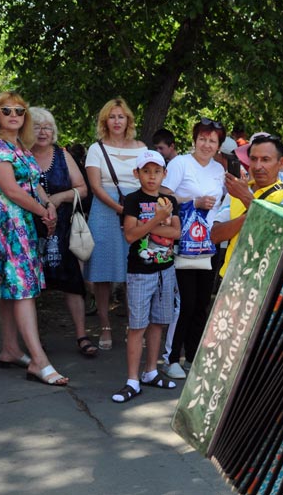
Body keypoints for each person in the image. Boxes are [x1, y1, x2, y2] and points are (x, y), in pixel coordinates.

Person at [0, 91, 67, 386]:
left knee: (11, 288)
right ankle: (38, 360)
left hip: (22, 222)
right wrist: (42, 210)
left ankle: (11, 349)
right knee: (23, 289)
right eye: (7, 110)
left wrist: (49, 206)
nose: (14, 115)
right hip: (5, 224)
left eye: (19, 110)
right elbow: (11, 191)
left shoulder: (20, 147)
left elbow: (33, 185)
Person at [159, 118, 227, 379]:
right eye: (202, 138)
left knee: (200, 303)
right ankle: (172, 357)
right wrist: (193, 201)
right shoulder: (180, 164)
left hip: (209, 243)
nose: (206, 144)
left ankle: (193, 354)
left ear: (219, 145)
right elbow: (162, 195)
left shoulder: (218, 170)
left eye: (212, 140)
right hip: (184, 241)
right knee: (184, 302)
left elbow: (221, 204)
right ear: (194, 139)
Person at [111, 150, 180, 403]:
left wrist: (149, 226)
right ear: (137, 173)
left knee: (158, 322)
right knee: (137, 325)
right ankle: (132, 380)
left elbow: (176, 233)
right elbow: (130, 235)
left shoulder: (169, 199)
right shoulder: (133, 200)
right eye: (146, 171)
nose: (152, 177)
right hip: (140, 272)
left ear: (164, 173)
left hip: (166, 269)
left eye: (157, 171)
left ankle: (151, 371)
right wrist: (159, 220)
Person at [29, 107, 96, 357]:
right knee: (31, 286)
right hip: (31, 229)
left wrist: (58, 198)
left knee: (72, 283)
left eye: (47, 127)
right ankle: (35, 342)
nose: (43, 132)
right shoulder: (22, 156)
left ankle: (81, 335)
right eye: (36, 126)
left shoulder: (62, 155)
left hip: (63, 229)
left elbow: (83, 189)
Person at [85, 98, 147, 350]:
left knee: (137, 272)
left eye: (121, 116)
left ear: (128, 120)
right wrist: (121, 209)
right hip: (104, 211)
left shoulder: (142, 148)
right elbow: (96, 187)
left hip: (137, 210)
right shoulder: (96, 149)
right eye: (112, 116)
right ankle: (105, 327)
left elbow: (148, 180)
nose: (117, 121)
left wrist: (136, 210)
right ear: (105, 121)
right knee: (102, 273)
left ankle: (135, 326)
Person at [212, 133, 283, 277]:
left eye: (266, 160)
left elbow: (276, 234)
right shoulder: (237, 190)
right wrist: (248, 216)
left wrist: (246, 200)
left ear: (281, 162)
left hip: (265, 282)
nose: (258, 166)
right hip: (229, 278)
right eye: (253, 159)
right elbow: (215, 235)